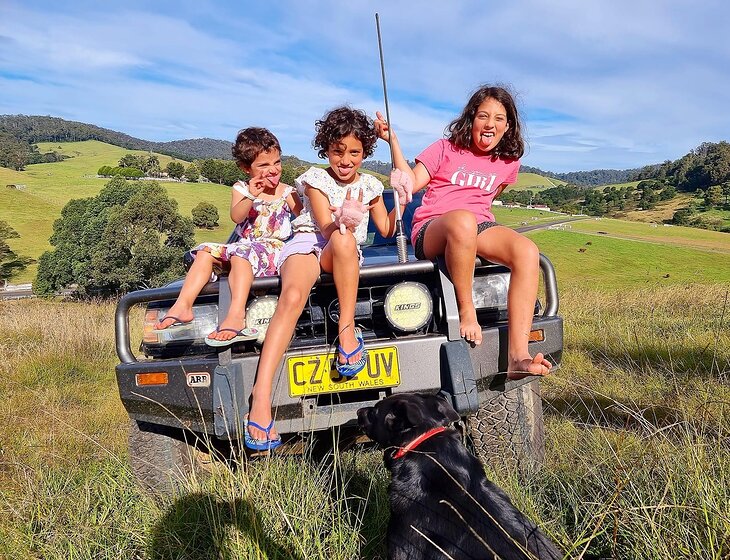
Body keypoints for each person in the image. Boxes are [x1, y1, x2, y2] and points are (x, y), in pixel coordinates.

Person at [244, 106, 409, 451]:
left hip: (341, 252)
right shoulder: (315, 178)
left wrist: (402, 200)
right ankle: (260, 398)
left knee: (346, 240)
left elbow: (386, 228)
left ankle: (346, 333)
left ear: (365, 152)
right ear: (326, 149)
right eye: (338, 151)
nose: (345, 160)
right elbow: (324, 225)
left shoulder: (371, 185)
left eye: (354, 152)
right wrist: (343, 218)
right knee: (291, 297)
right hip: (308, 243)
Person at [375, 84, 552, 380]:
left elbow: (486, 201)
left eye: (499, 118)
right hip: (433, 227)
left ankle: (517, 357)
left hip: (477, 226)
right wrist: (392, 141)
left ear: (508, 126)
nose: (490, 124)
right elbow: (409, 185)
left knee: (527, 251)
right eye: (483, 116)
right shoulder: (444, 149)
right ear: (471, 119)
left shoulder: (508, 163)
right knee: (463, 221)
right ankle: (466, 310)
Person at [153, 127, 302, 347]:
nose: (273, 170)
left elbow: (305, 220)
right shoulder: (241, 189)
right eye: (263, 165)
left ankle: (235, 315)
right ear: (246, 168)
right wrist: (251, 195)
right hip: (243, 248)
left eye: (277, 162)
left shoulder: (288, 192)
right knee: (204, 251)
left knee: (240, 254)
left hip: (273, 250)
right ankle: (183, 305)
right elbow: (237, 216)